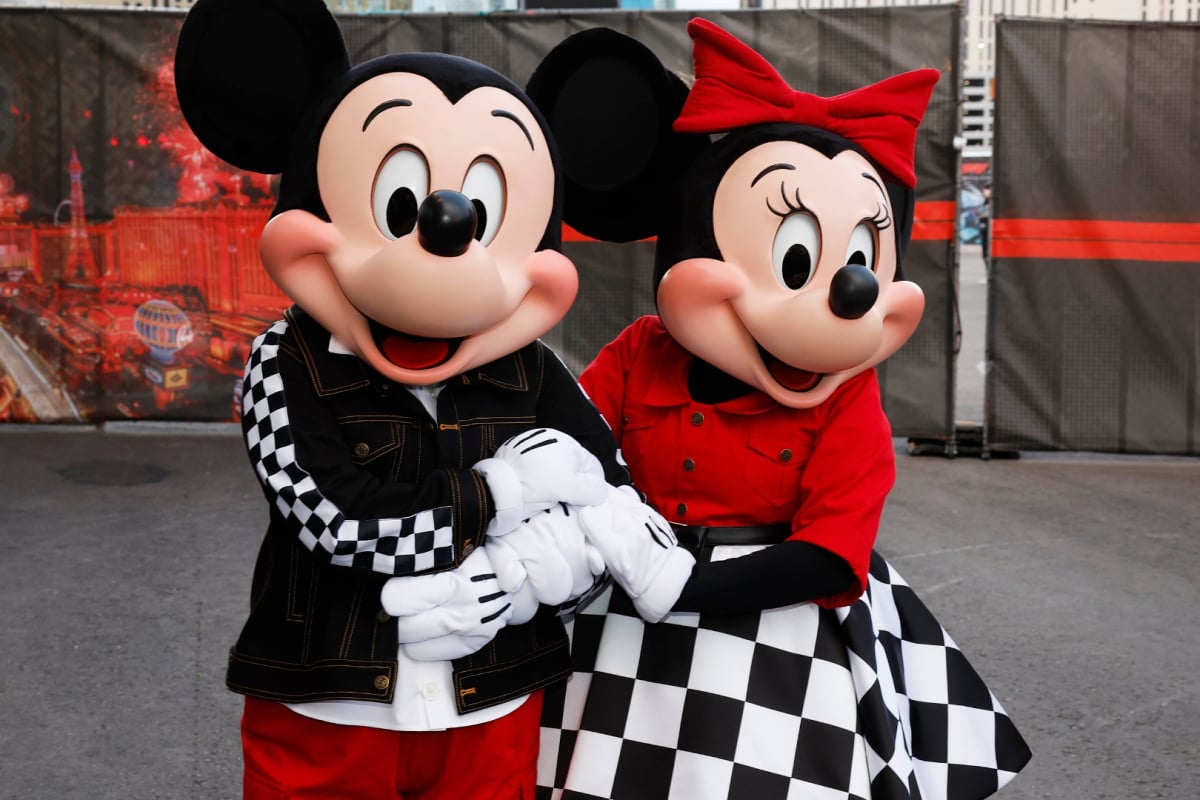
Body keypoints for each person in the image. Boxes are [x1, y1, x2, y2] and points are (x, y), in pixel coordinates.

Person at [174, 2, 689, 797]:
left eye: (481, 214)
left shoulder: (532, 369)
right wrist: (499, 496)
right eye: (401, 206)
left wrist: (524, 576)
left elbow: (607, 501)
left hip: (492, 701)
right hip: (330, 705)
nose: (446, 232)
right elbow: (333, 517)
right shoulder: (288, 359)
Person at [528, 20, 1032, 799]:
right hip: (624, 631)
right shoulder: (640, 352)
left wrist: (682, 587)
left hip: (774, 638)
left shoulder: (846, 396)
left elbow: (832, 552)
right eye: (797, 258)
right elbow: (575, 452)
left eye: (858, 262)